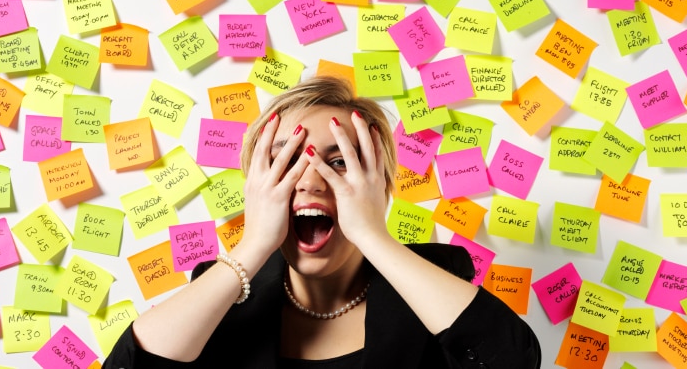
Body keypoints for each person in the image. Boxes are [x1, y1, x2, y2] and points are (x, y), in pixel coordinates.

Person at [104, 76, 541, 368]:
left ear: (381, 185)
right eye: (286, 161)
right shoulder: (220, 297)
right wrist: (254, 244)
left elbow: (514, 360)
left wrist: (372, 234)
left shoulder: (439, 281)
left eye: (339, 161)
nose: (310, 181)